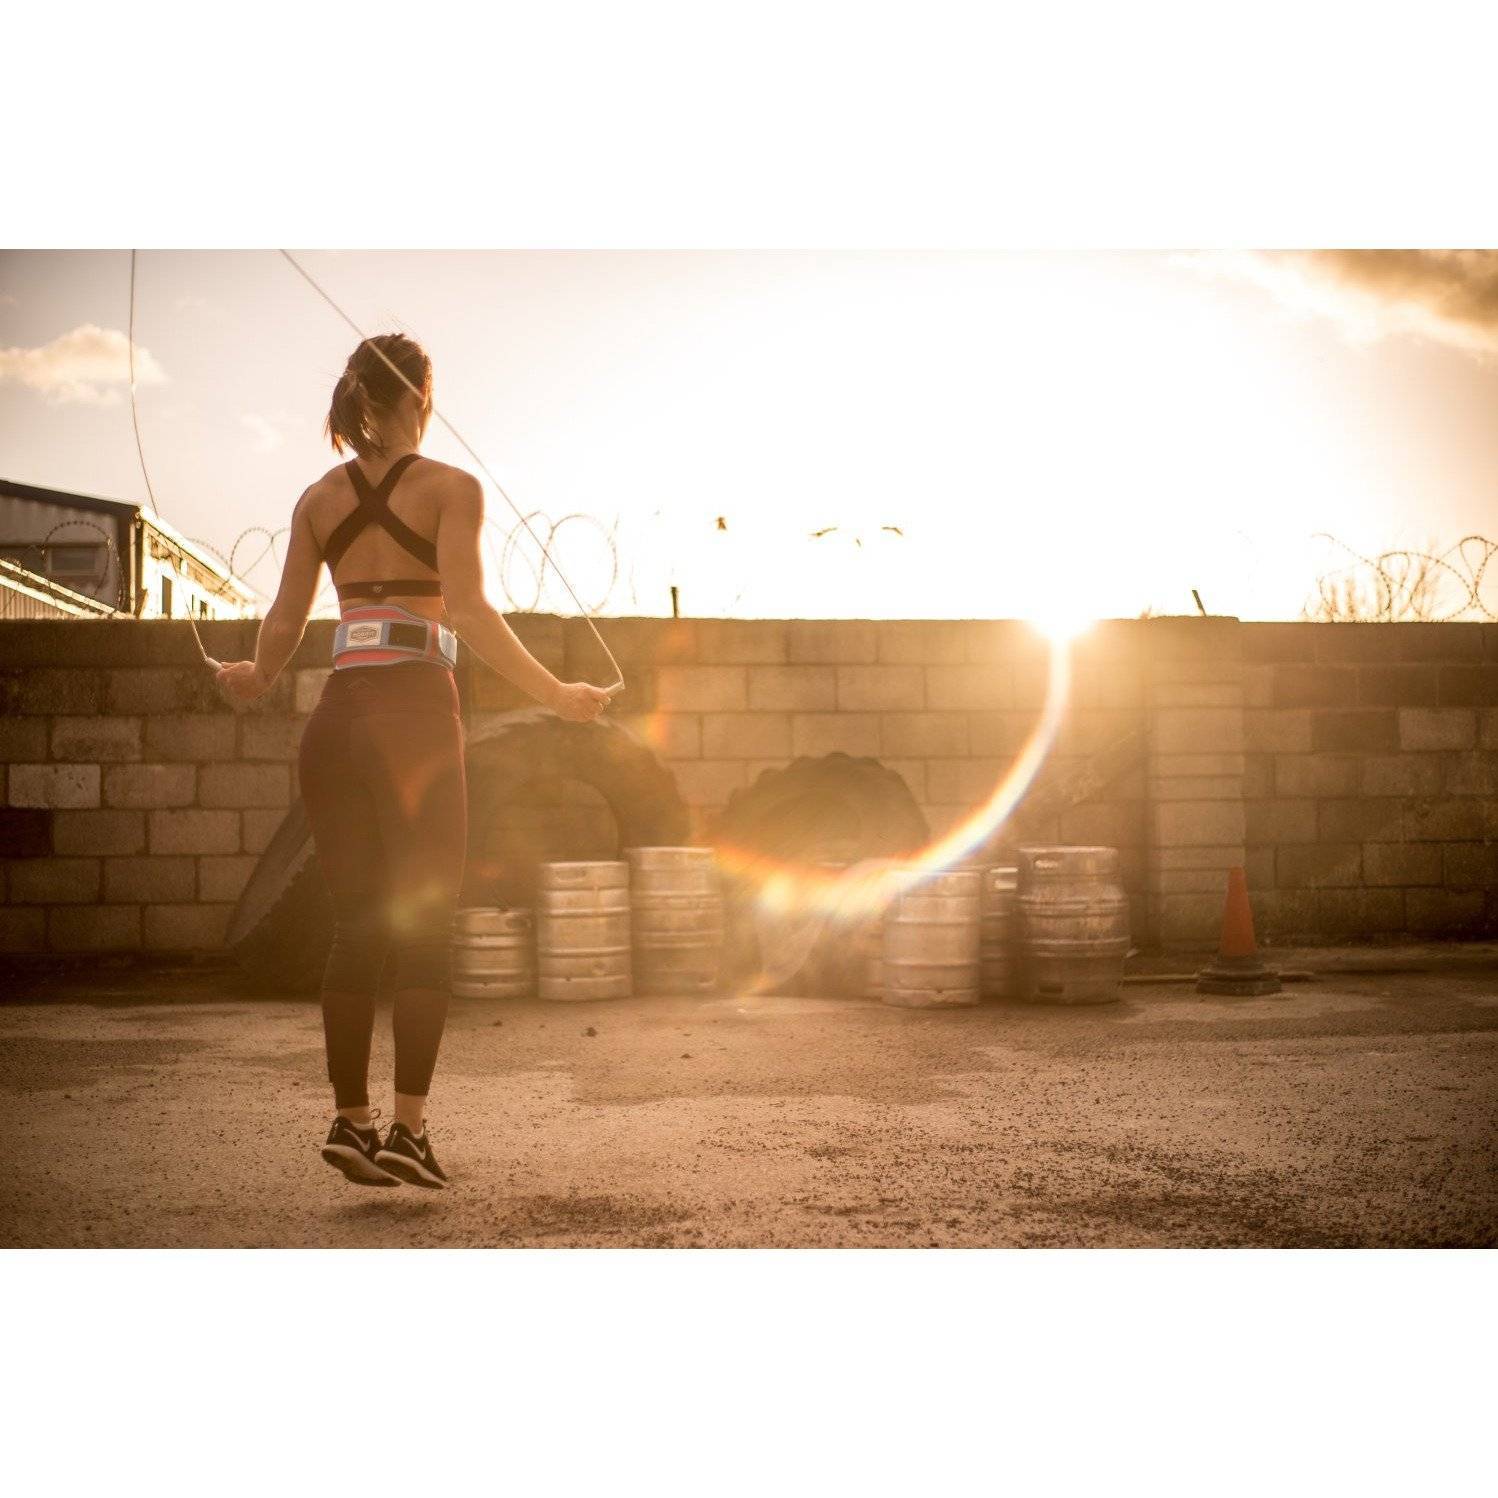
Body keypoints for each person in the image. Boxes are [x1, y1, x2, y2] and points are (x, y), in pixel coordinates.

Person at [215, 334, 611, 1188]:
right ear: (421, 397)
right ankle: (409, 1134)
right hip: (416, 721)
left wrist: (254, 676)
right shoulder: (450, 489)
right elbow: (468, 609)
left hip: (335, 722)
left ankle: (350, 1123)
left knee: (356, 926)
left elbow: (284, 622)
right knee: (424, 926)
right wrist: (557, 694)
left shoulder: (319, 497)